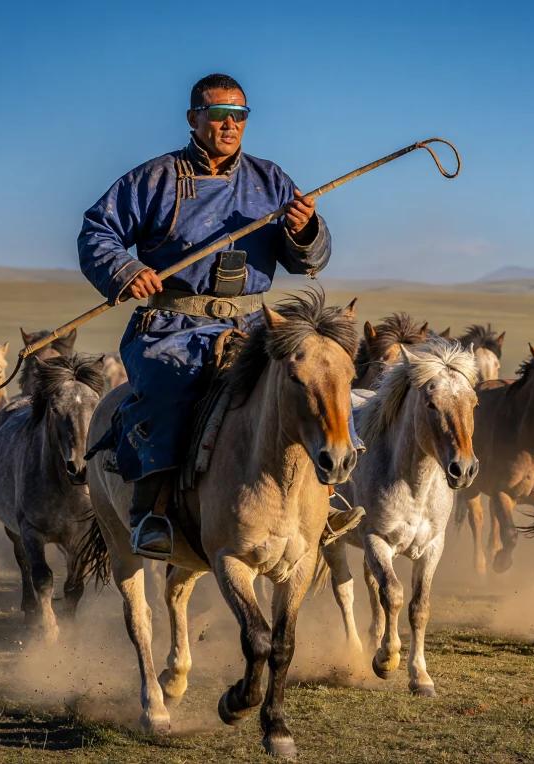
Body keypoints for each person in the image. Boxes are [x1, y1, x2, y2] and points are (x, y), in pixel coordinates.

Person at [77, 73, 360, 558]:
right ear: (194, 118)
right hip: (173, 328)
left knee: (316, 381)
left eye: (239, 115)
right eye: (219, 114)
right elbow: (96, 232)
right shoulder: (154, 179)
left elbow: (309, 260)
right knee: (168, 392)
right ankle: (150, 513)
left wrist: (306, 229)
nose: (230, 124)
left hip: (254, 326)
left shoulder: (271, 181)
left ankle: (325, 500)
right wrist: (127, 270)